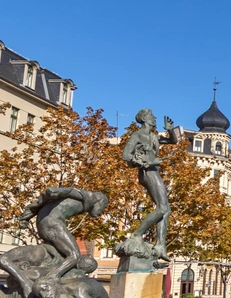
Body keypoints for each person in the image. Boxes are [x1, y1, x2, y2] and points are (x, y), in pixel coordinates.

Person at [1, 188, 108, 297]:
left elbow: (45, 204)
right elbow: (70, 191)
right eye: (102, 208)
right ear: (100, 201)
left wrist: (27, 216)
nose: (99, 213)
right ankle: (52, 277)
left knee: (68, 255)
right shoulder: (89, 196)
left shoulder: (44, 257)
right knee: (74, 255)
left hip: (44, 221)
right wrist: (57, 191)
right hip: (52, 222)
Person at [120, 108, 180, 261]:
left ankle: (160, 245)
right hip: (147, 172)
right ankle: (137, 234)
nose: (154, 118)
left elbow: (173, 141)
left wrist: (171, 130)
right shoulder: (137, 135)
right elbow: (126, 155)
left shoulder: (153, 136)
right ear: (144, 118)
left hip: (154, 171)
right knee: (163, 208)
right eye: (152, 116)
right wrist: (147, 162)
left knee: (166, 210)